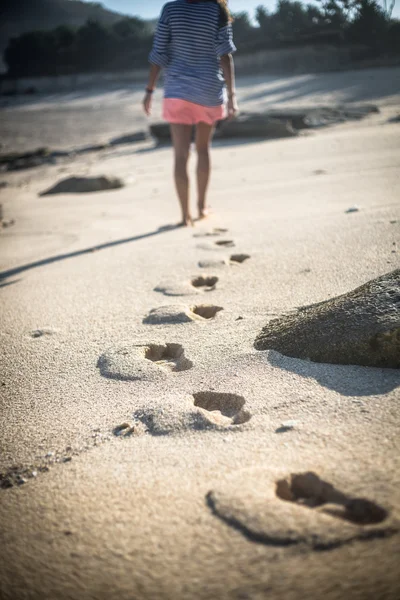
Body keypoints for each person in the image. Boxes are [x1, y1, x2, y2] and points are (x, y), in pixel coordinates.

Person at [143, 0, 238, 226]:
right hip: (208, 89)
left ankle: (185, 216)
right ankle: (201, 207)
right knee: (203, 150)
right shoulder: (217, 9)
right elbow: (225, 55)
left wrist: (149, 90)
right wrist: (232, 97)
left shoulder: (171, 9)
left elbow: (159, 54)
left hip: (177, 90)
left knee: (180, 155)